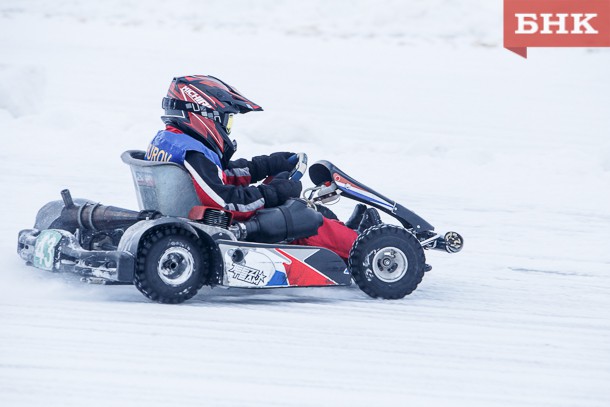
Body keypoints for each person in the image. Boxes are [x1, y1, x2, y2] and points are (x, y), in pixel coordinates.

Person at [145, 75, 380, 260]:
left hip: (196, 216)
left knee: (303, 212)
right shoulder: (193, 153)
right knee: (301, 218)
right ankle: (366, 247)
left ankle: (349, 235)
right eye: (226, 121)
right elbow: (227, 202)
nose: (227, 129)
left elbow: (220, 177)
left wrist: (266, 165)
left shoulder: (174, 140)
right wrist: (277, 191)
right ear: (203, 115)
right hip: (217, 224)